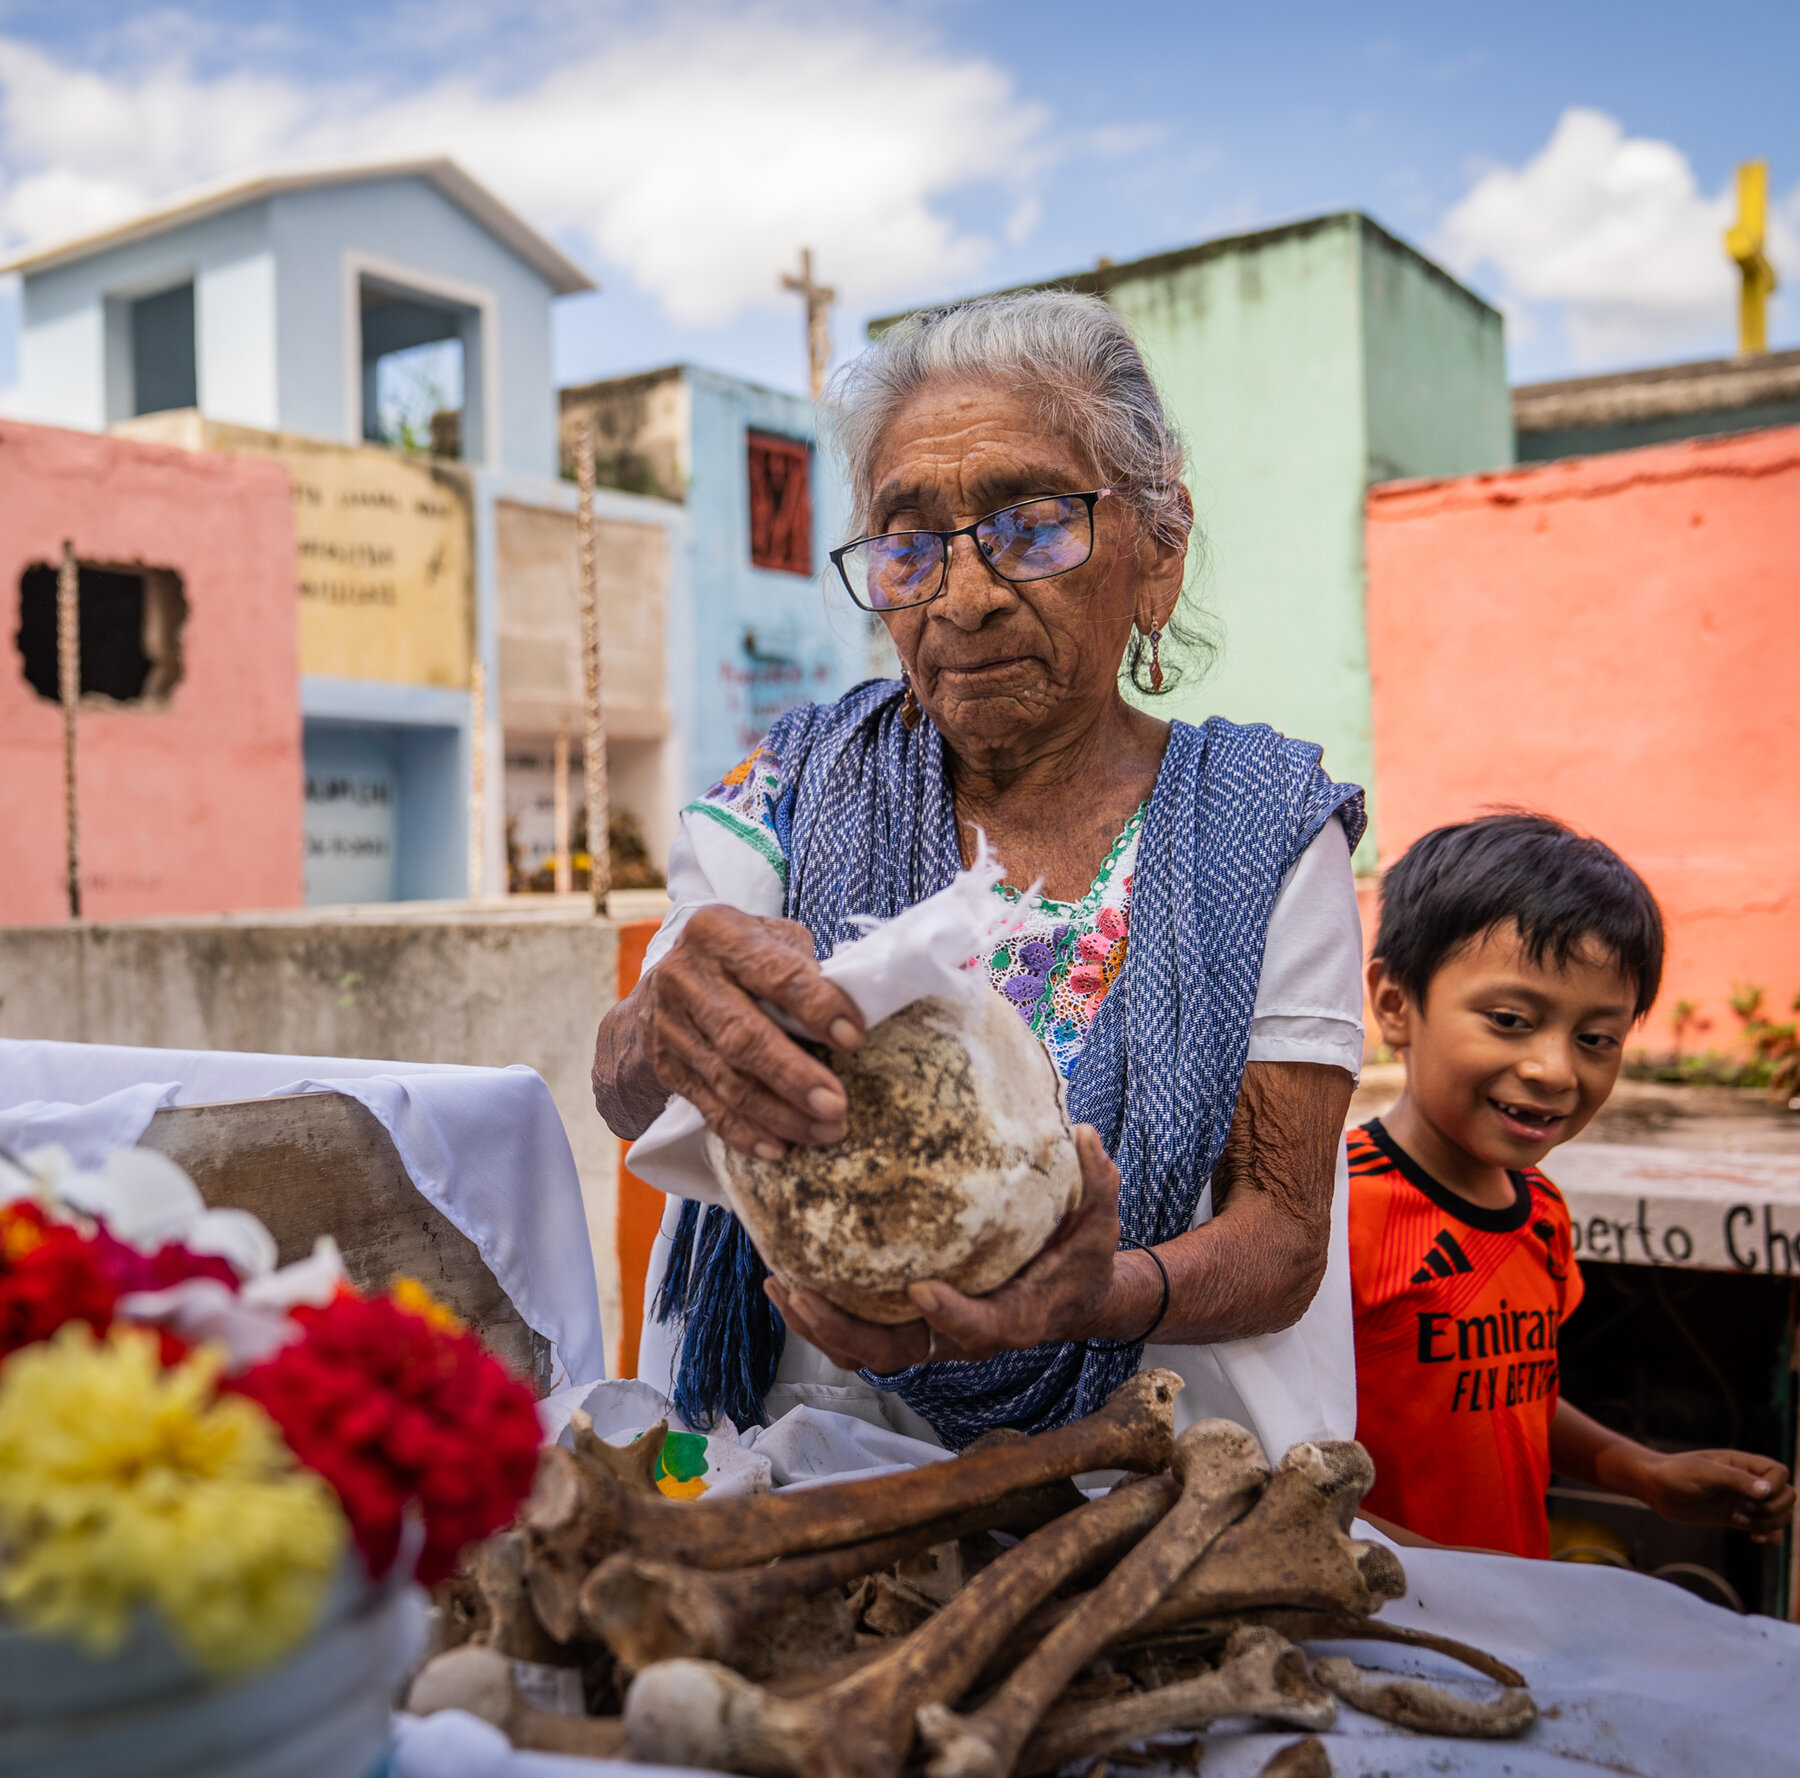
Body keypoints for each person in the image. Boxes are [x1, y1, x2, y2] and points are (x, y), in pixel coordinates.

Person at [593, 290, 1369, 1461]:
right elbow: (621, 1089)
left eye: (1033, 523)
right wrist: (665, 1022)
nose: (961, 596)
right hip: (809, 1480)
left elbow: (1282, 1236)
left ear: (1158, 551)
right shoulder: (795, 789)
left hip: (1144, 1497)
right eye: (908, 546)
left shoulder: (1263, 828)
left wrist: (1094, 1294)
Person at [1351, 812, 1797, 1556]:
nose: (1556, 1070)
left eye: (1597, 1039)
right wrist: (1441, 1582)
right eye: (1510, 1019)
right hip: (1376, 1624)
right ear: (1397, 1005)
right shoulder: (1337, 1213)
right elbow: (1282, 1462)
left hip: (1513, 1615)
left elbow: (1510, 1399)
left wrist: (1646, 1473)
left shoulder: (1542, 1217)